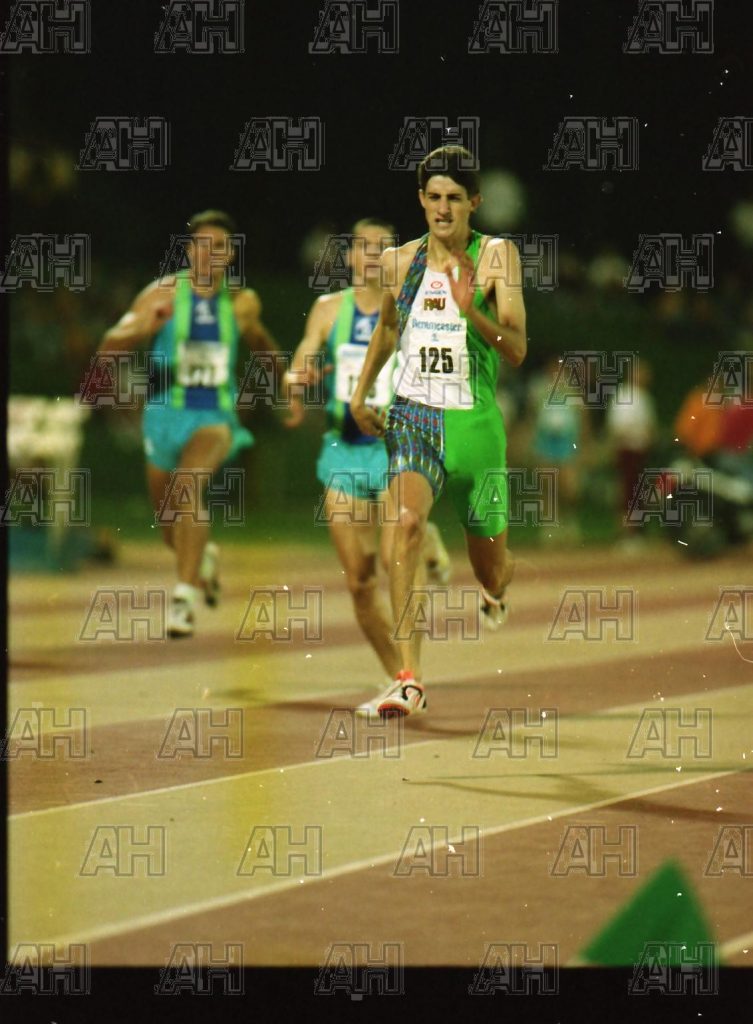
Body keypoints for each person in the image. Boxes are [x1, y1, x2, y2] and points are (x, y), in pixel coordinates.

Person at [349, 146, 527, 718]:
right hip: (414, 415)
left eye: (454, 198)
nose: (443, 208)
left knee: (490, 566)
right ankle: (409, 679)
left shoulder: (497, 257)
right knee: (405, 524)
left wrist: (470, 309)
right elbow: (387, 329)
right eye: (433, 197)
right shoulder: (399, 262)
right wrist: (360, 393)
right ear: (421, 201)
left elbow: (517, 348)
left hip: (475, 425)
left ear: (475, 202)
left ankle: (496, 589)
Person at [285, 218, 450, 713]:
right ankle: (397, 677)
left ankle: (409, 677)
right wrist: (298, 375)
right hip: (343, 451)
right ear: (351, 255)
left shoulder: (414, 306)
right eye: (364, 245)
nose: (374, 254)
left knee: (392, 558)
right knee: (359, 581)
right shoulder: (329, 309)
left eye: (384, 246)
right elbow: (305, 352)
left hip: (394, 447)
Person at [98, 209, 278, 637]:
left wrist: (287, 385)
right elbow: (108, 347)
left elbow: (262, 345)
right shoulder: (160, 294)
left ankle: (183, 600)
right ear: (189, 250)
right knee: (169, 529)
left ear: (230, 254)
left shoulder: (242, 302)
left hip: (214, 416)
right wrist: (143, 329)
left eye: (219, 246)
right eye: (201, 245)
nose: (208, 254)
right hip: (163, 416)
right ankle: (203, 559)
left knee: (188, 487)